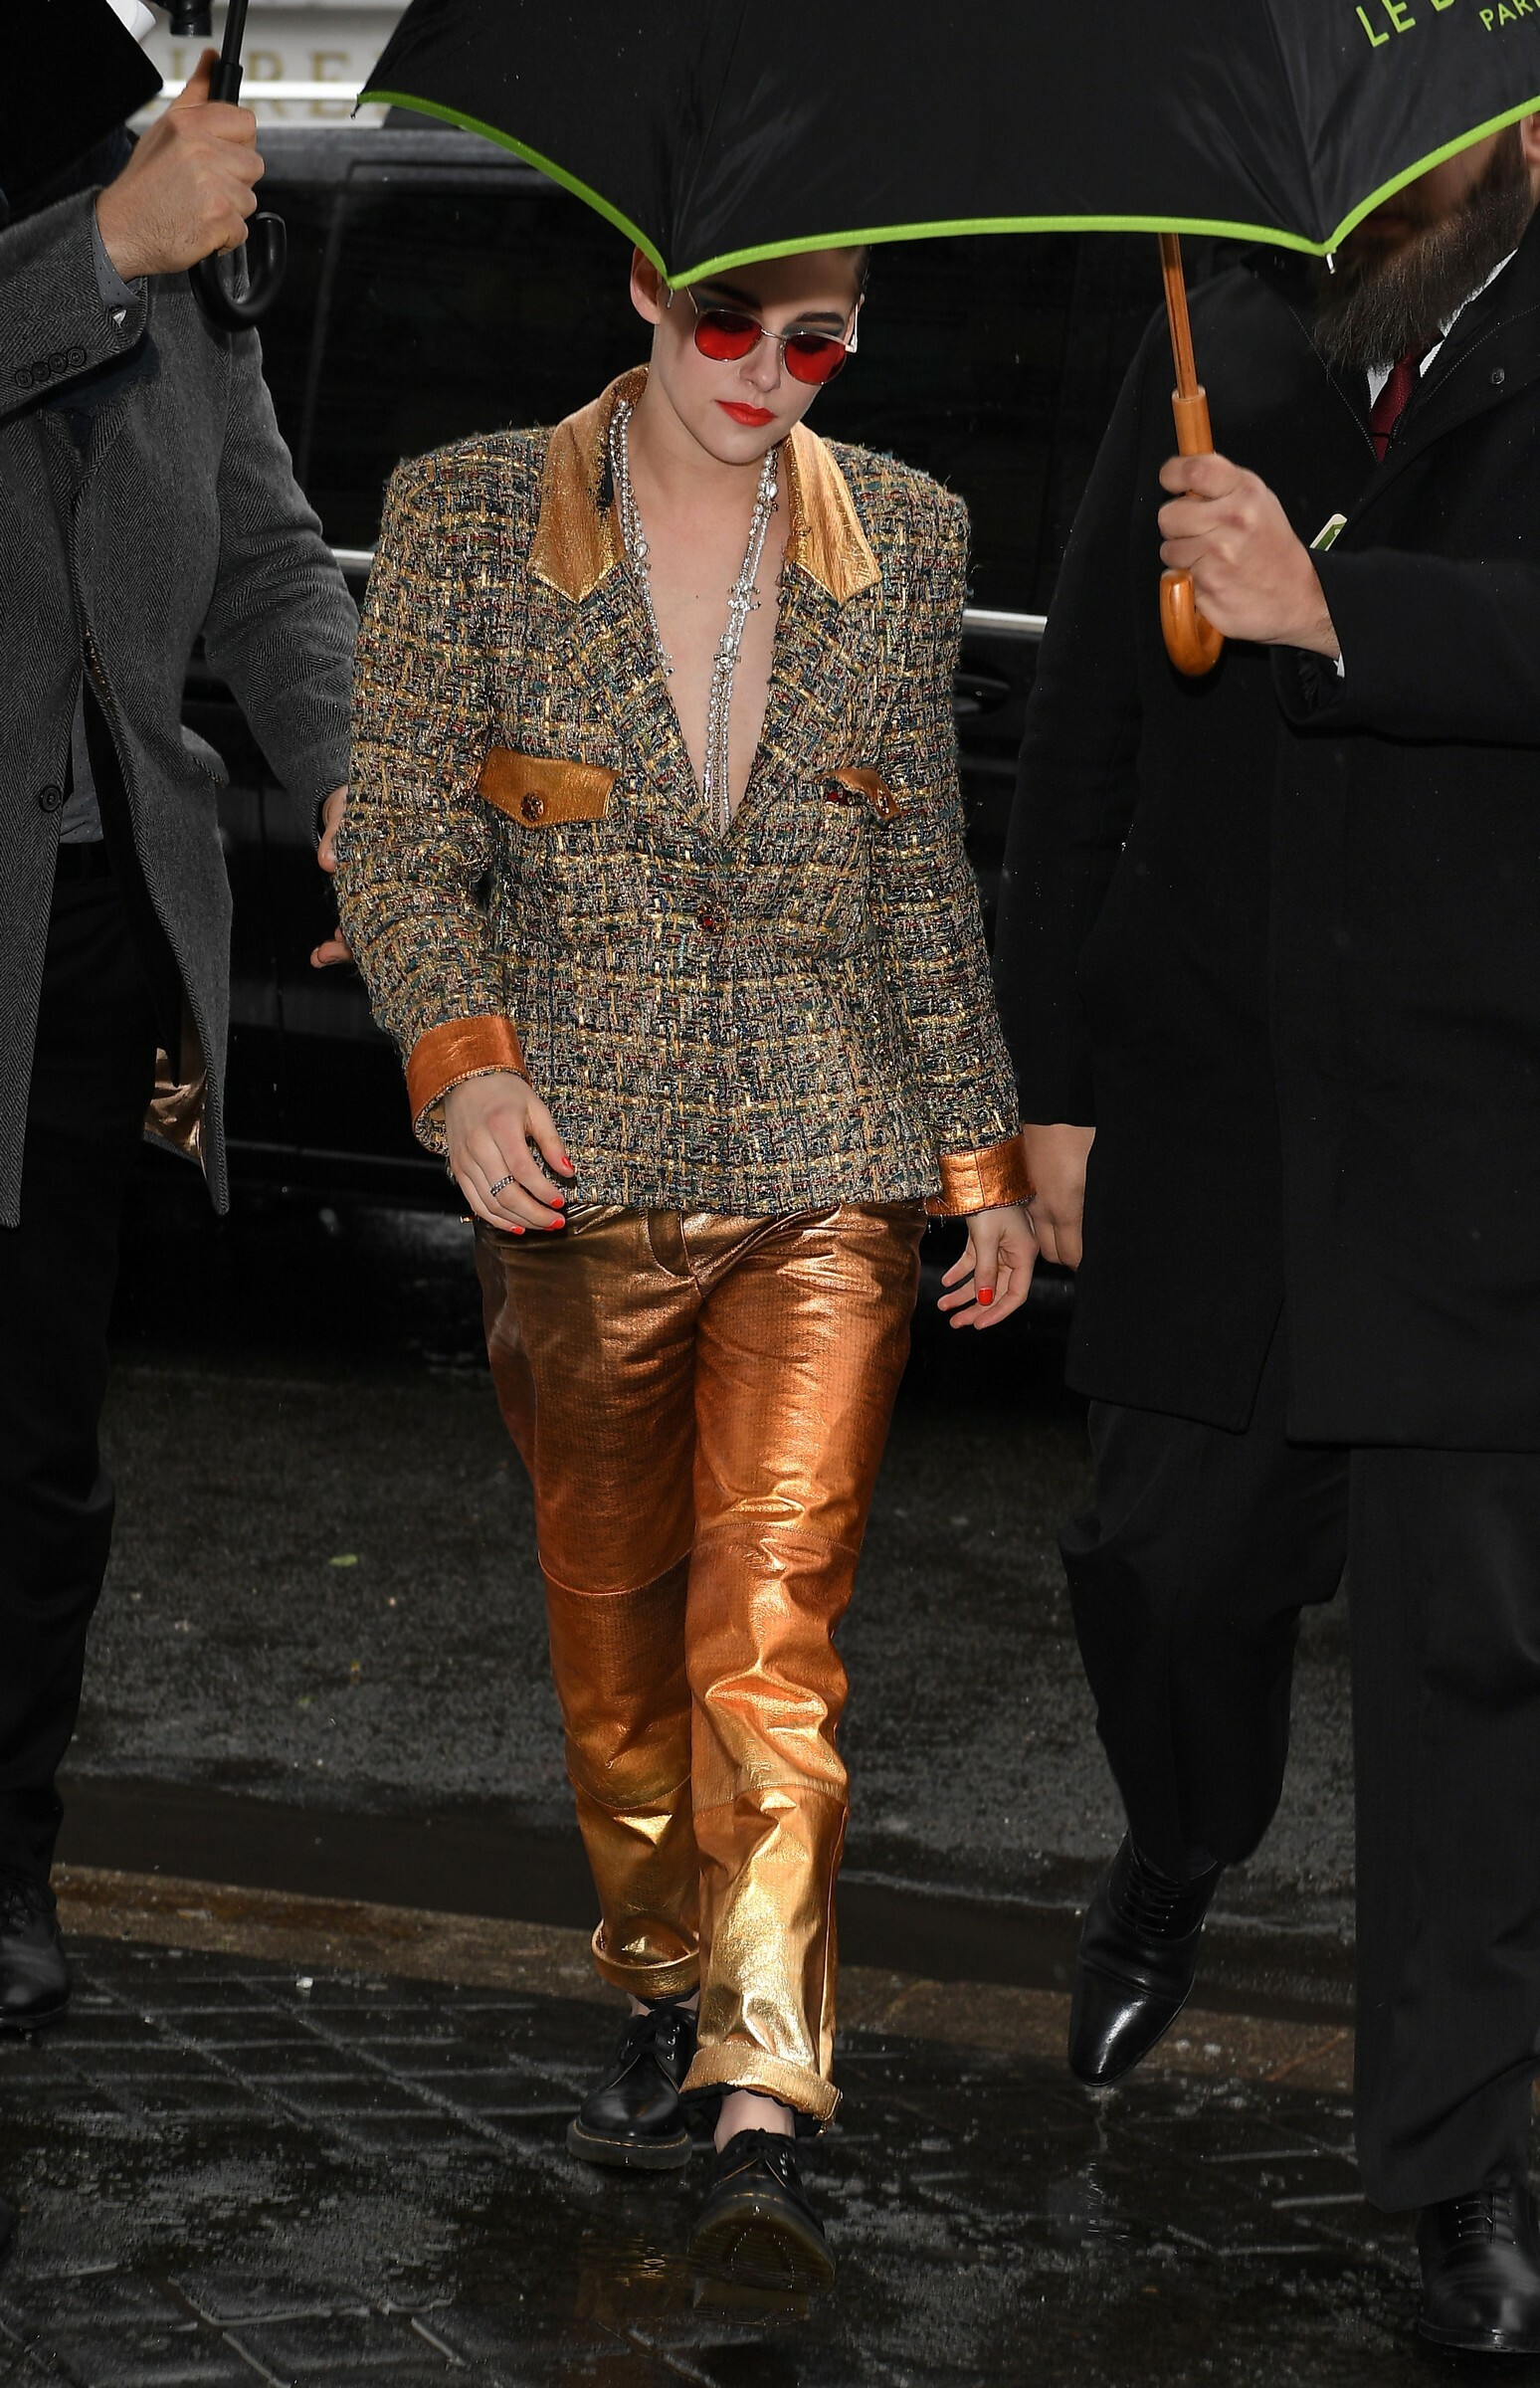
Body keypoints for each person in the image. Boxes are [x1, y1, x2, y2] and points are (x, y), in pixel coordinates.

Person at [335, 240, 1036, 2288]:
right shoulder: (470, 513)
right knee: (620, 1640)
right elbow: (404, 841)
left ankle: (762, 2096)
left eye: (816, 342)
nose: (766, 374)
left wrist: (980, 1164)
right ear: (648, 290)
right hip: (579, 1169)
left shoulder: (904, 533)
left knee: (773, 1641)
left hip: (832, 1159)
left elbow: (920, 869)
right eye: (730, 326)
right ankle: (658, 1972)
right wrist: (463, 1067)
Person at [995, 118, 1540, 2354]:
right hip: (1213, 1101)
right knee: (1169, 1565)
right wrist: (1045, 1087)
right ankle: (1183, 1838)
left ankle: (1464, 2166)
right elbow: (1082, 727)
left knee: (1469, 1668)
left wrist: (1342, 609)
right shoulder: (1208, 329)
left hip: (1481, 1123)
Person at [0, 4, 355, 2033]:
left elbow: (271, 561)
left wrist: (368, 785)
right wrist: (97, 256)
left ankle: (4, 1861)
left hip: (78, 927)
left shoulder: (166, 205)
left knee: (35, 1446)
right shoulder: (118, 222)